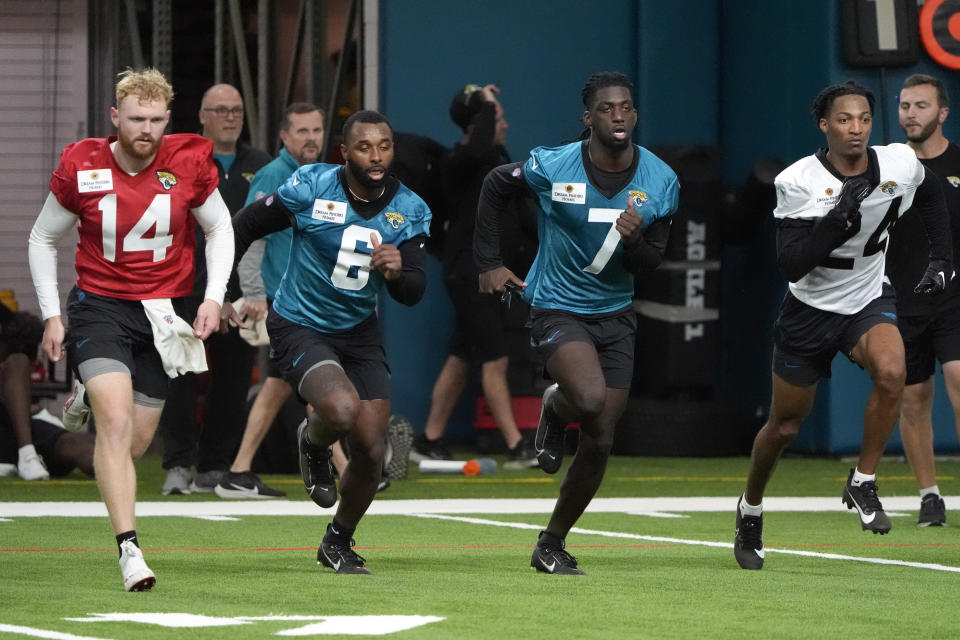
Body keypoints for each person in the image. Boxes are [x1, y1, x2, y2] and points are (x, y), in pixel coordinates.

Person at [733, 80, 953, 570]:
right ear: (824, 125)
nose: (855, 128)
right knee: (785, 425)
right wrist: (837, 220)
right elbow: (791, 265)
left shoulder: (898, 162)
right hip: (810, 309)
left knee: (894, 371)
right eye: (844, 120)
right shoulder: (799, 180)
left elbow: (933, 192)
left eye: (864, 119)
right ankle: (750, 508)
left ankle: (862, 481)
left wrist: (942, 257)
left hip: (868, 297)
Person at [27, 68, 234, 590]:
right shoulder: (83, 162)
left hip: (161, 315)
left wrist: (212, 298)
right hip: (99, 307)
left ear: (168, 119)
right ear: (115, 117)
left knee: (135, 443)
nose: (146, 129)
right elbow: (41, 238)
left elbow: (221, 228)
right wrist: (53, 312)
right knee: (115, 425)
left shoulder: (188, 160)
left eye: (156, 120)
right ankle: (130, 551)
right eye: (136, 118)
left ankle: (88, 394)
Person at [475, 72, 679, 574]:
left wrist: (635, 243)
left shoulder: (661, 180)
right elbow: (496, 185)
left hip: (616, 313)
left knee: (602, 437)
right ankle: (558, 401)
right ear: (588, 119)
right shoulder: (554, 164)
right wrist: (489, 262)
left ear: (634, 115)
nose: (618, 116)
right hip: (557, 305)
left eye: (626, 108)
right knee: (588, 400)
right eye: (606, 109)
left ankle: (552, 542)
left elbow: (653, 264)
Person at [228, 110, 430, 573]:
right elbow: (244, 225)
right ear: (345, 152)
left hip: (359, 332)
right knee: (339, 410)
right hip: (300, 322)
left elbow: (415, 292)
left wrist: (397, 273)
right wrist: (227, 293)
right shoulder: (312, 186)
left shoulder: (411, 208)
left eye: (384, 146)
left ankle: (338, 540)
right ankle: (314, 443)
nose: (376, 156)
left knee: (373, 452)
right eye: (364, 147)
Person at [416, 83, 537, 467]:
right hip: (472, 275)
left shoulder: (495, 160)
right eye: (496, 118)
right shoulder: (462, 161)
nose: (504, 124)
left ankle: (430, 438)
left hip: (491, 275)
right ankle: (518, 445)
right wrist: (483, 101)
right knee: (495, 360)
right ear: (476, 125)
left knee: (461, 357)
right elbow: (479, 141)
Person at [158, 83, 270, 495]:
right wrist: (211, 294)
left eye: (236, 109)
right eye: (220, 109)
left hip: (242, 293)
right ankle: (178, 463)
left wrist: (248, 293)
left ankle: (216, 465)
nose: (230, 116)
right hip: (185, 286)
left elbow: (263, 233)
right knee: (181, 375)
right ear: (202, 116)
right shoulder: (179, 161)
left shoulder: (261, 164)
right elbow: (184, 231)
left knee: (234, 380)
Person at [214, 102, 326, 499]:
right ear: (284, 136)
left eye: (317, 130)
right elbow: (249, 236)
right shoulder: (273, 175)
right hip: (283, 303)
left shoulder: (319, 176)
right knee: (318, 385)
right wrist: (254, 293)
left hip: (308, 303)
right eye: (302, 131)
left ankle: (238, 471)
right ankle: (344, 471)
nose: (311, 138)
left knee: (281, 385)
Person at [887, 74, 960, 527]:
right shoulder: (887, 168)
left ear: (943, 113)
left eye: (920, 105)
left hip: (954, 301)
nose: (910, 113)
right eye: (904, 105)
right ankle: (929, 495)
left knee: (959, 380)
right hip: (902, 303)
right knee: (914, 400)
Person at [0, 304, 51, 480]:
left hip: (27, 428)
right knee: (18, 361)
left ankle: (29, 457)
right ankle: (27, 455)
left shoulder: (23, 366)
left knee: (84, 450)